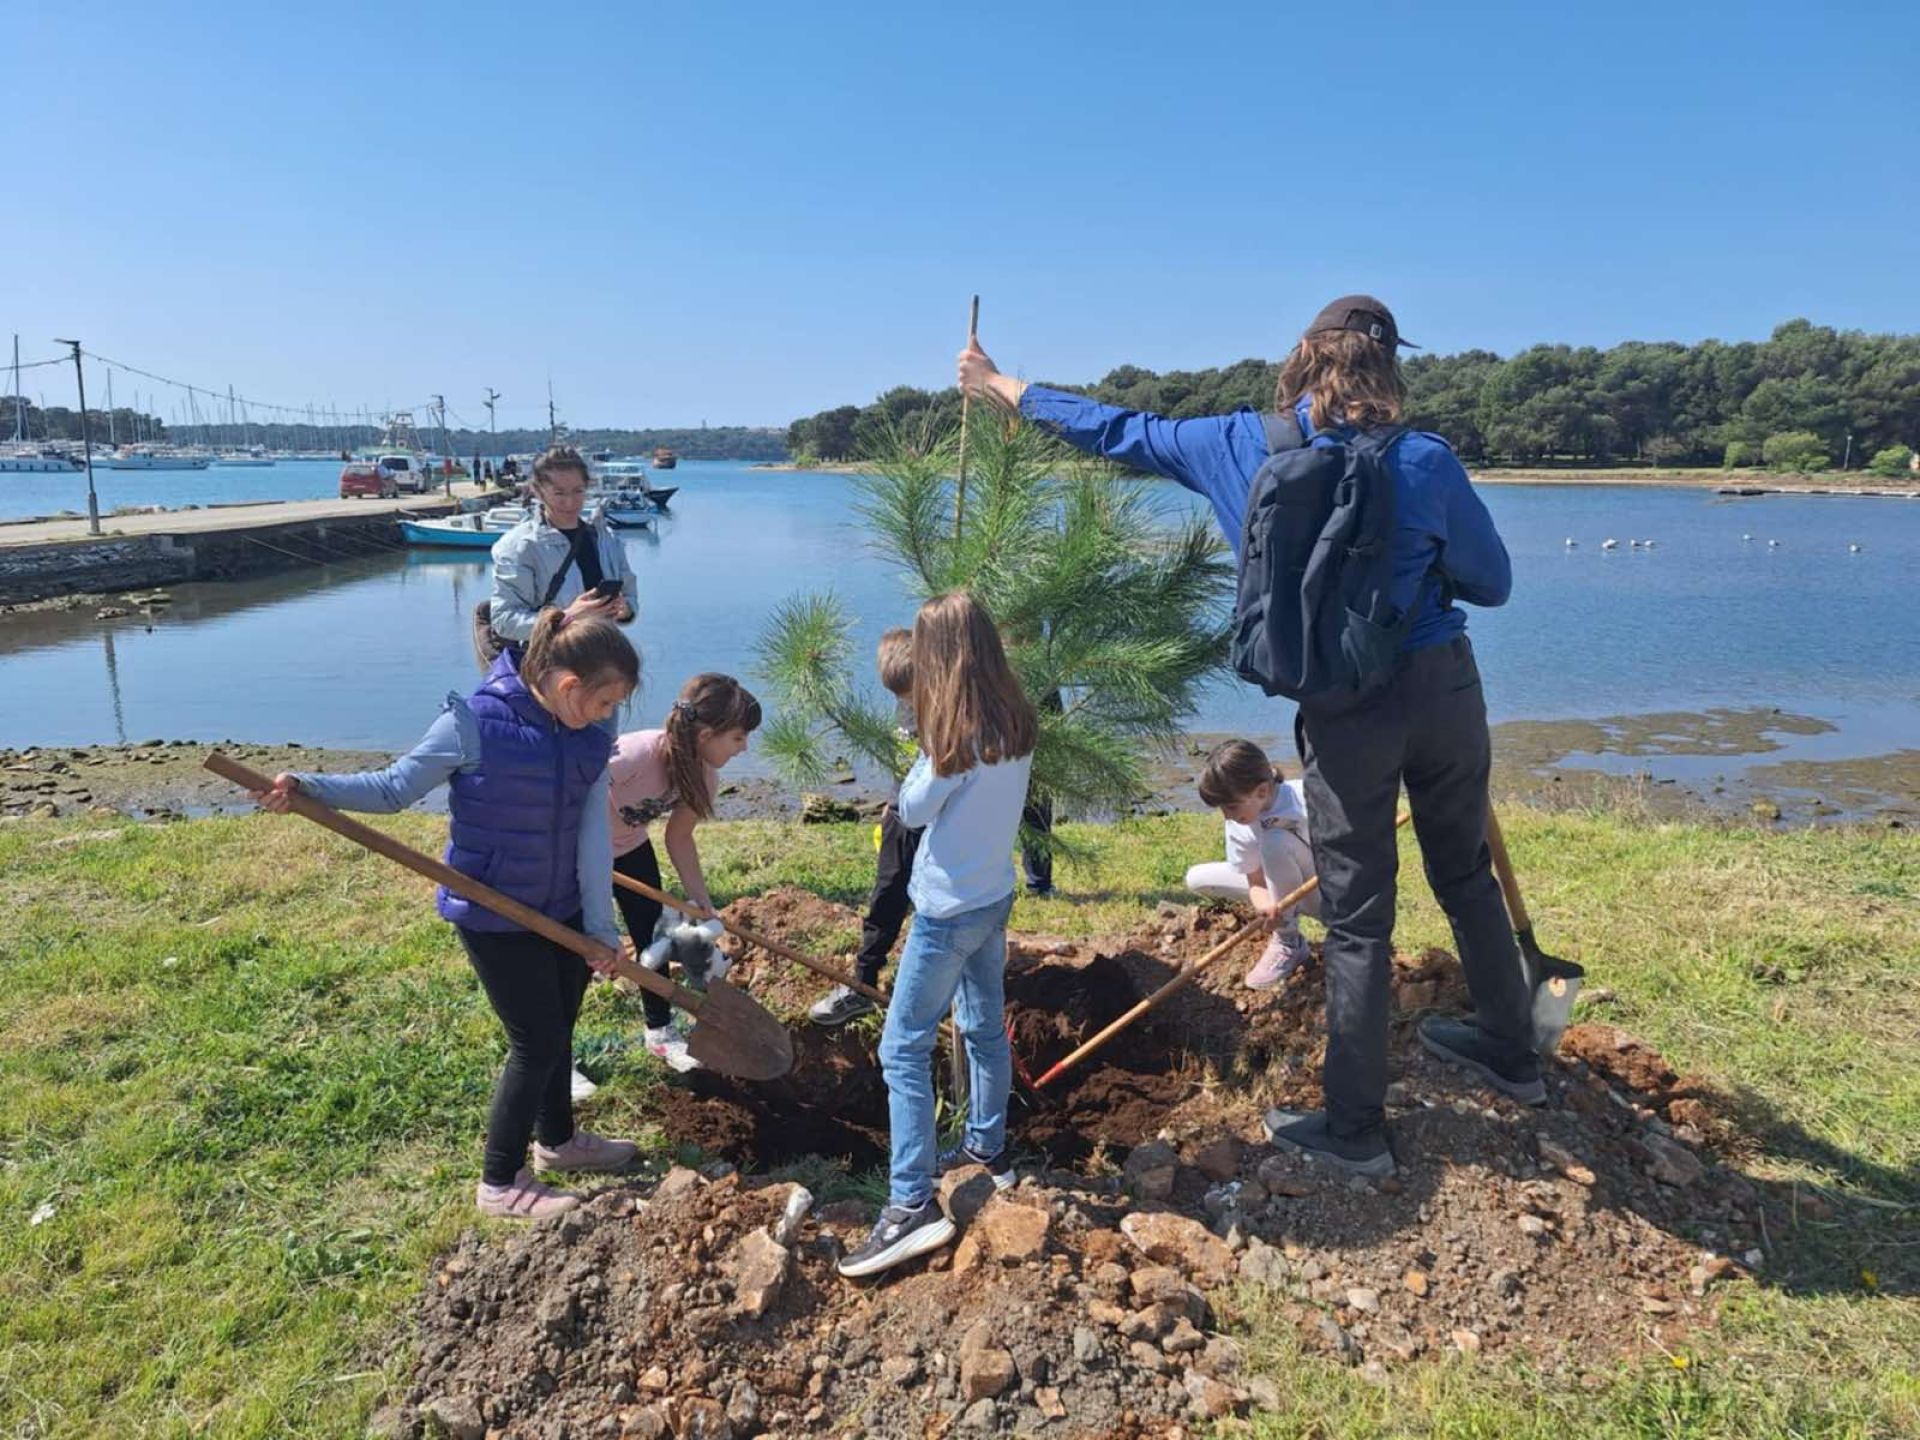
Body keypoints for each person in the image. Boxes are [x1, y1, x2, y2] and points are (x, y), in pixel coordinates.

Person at [958, 295, 1534, 1180]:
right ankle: (1511, 1049)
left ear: (1303, 355)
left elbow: (1116, 430)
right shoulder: (1426, 458)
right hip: (1443, 688)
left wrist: (1001, 386)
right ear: (1389, 367)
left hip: (1345, 712)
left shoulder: (1237, 445)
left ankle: (1356, 1129)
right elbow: (1489, 584)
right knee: (1463, 872)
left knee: (1357, 914)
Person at [253, 612, 643, 1220]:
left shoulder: (588, 733)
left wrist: (599, 925)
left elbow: (593, 831)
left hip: (561, 908)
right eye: (603, 701)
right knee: (535, 1042)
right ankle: (499, 1181)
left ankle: (559, 1143)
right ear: (568, 686)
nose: (607, 714)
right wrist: (307, 786)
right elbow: (392, 789)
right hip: (494, 912)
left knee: (560, 1026)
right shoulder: (474, 723)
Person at [838, 593, 1037, 1279]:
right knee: (982, 1026)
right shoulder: (1013, 718)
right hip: (992, 894)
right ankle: (988, 1150)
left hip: (948, 911)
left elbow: (915, 812)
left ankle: (909, 1204)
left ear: (941, 658)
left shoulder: (951, 741)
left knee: (903, 1049)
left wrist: (923, 751)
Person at [606, 673, 761, 1074]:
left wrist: (701, 900)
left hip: (628, 848)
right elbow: (573, 797)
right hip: (577, 852)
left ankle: (659, 1031)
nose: (744, 749)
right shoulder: (633, 755)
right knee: (575, 947)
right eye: (739, 738)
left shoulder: (704, 775)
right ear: (708, 733)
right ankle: (559, 1057)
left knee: (652, 937)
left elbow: (679, 837)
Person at [810, 628, 920, 1027]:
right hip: (900, 814)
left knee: (932, 908)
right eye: (898, 695)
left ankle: (933, 991)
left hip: (935, 820)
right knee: (886, 897)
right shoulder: (904, 696)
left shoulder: (948, 707)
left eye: (911, 693)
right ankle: (864, 984)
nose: (905, 702)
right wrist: (891, 808)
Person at [1187, 739, 1320, 988]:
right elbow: (1256, 881)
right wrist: (1265, 904)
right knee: (1196, 878)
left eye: (1230, 806)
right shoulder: (1239, 823)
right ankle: (1287, 926)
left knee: (1274, 842)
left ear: (1261, 791)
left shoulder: (1306, 798)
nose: (1227, 815)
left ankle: (1287, 941)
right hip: (1284, 892)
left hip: (1325, 892)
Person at [489, 446, 637, 649]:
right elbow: (503, 621)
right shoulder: (518, 547)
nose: (570, 502)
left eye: (578, 491)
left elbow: (630, 596)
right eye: (559, 493)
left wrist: (624, 609)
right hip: (551, 665)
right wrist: (567, 618)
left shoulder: (606, 538)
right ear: (539, 491)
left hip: (604, 660)